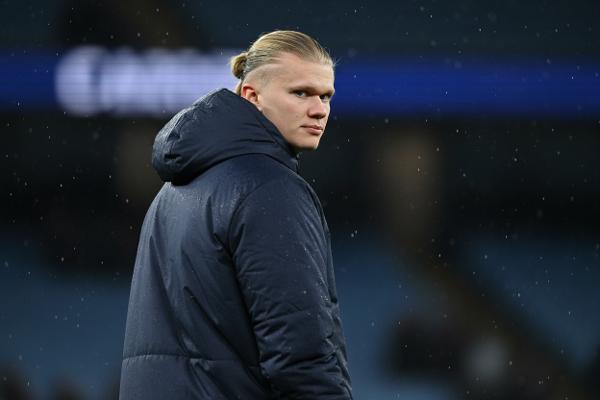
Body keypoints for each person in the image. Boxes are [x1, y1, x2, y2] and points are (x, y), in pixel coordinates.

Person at [119, 30, 352, 399]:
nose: (319, 109)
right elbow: (299, 357)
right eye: (301, 93)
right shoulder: (269, 189)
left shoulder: (171, 191)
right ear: (252, 96)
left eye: (326, 96)